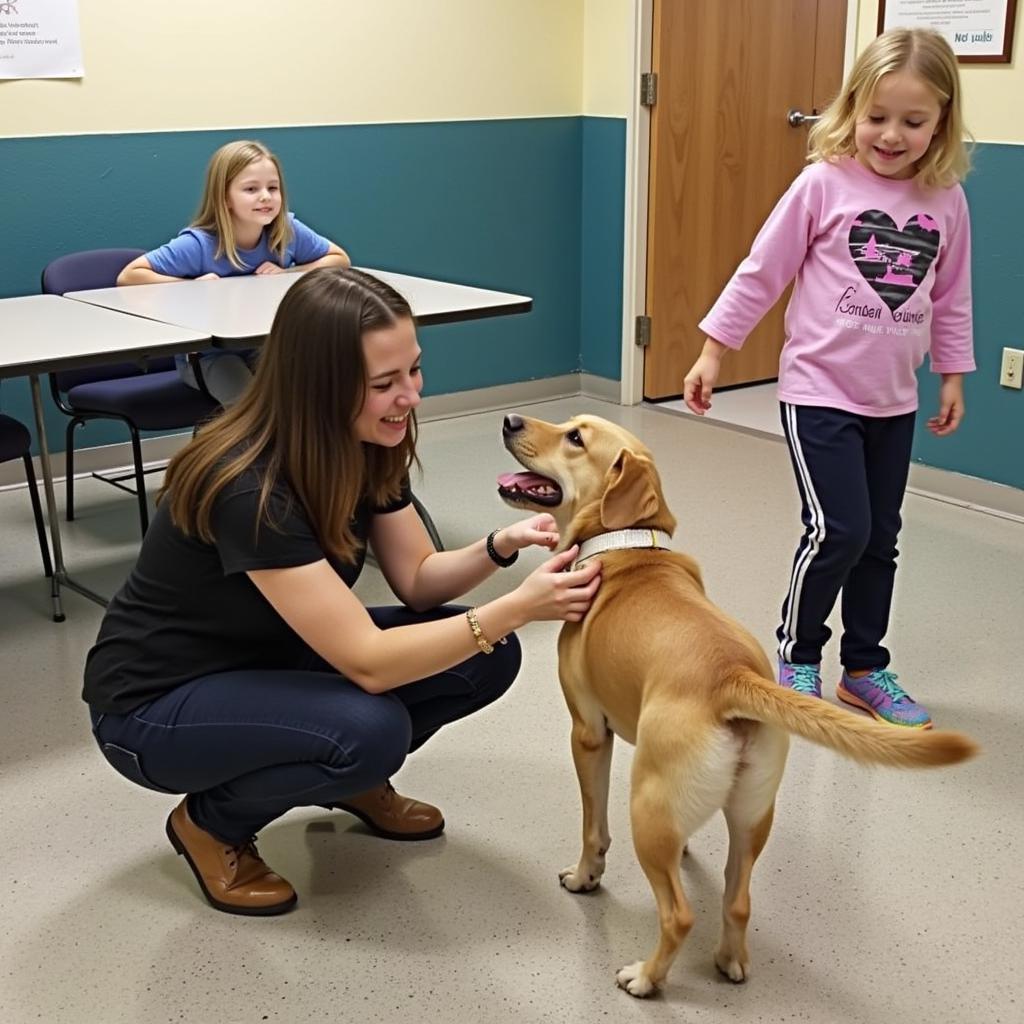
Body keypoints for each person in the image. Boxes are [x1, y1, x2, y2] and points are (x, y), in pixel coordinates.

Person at [83, 267, 602, 916]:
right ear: (318, 388)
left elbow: (416, 580)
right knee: (370, 729)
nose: (409, 395)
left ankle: (346, 777)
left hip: (266, 656)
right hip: (152, 706)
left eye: (413, 370)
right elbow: (367, 661)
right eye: (384, 384)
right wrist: (519, 607)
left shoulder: (365, 440)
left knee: (485, 657)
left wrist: (499, 547)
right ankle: (213, 825)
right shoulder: (251, 485)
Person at [682, 28, 974, 729]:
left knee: (882, 536)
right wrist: (714, 350)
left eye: (913, 121)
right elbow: (763, 271)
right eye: (877, 117)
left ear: (941, 122)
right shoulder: (823, 184)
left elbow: (952, 295)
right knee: (837, 530)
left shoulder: (946, 200)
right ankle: (799, 654)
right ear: (851, 110)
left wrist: (953, 374)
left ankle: (866, 667)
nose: (891, 135)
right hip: (819, 393)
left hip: (893, 398)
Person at [117, 139, 350, 405]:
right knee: (251, 407)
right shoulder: (200, 244)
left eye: (273, 188)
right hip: (208, 358)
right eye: (251, 189)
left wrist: (289, 272)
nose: (265, 196)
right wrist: (189, 285)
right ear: (224, 197)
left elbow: (338, 258)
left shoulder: (286, 230)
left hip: (265, 347)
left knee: (314, 389)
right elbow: (130, 276)